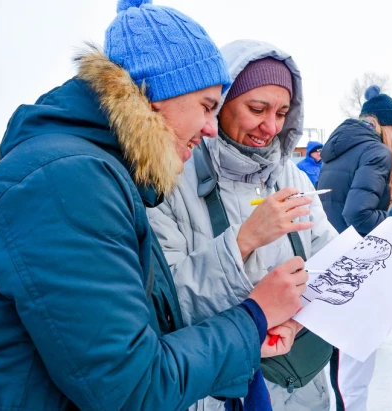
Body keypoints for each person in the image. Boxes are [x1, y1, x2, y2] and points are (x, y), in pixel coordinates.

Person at [0, 2, 309, 410]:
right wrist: (252, 317)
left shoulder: (97, 173)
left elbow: (138, 334)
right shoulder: (65, 183)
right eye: (205, 106)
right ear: (151, 95)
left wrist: (247, 339)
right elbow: (130, 387)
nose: (210, 128)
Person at [147, 39, 337, 411]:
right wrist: (244, 240)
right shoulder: (169, 181)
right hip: (218, 394)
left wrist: (294, 323)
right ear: (219, 104)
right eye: (257, 108)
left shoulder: (292, 178)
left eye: (282, 112)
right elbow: (165, 306)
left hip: (302, 386)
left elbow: (329, 262)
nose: (270, 126)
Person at [317, 85, 392, 236]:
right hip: (357, 248)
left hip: (329, 242)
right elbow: (358, 215)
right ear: (388, 126)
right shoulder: (377, 152)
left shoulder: (338, 148)